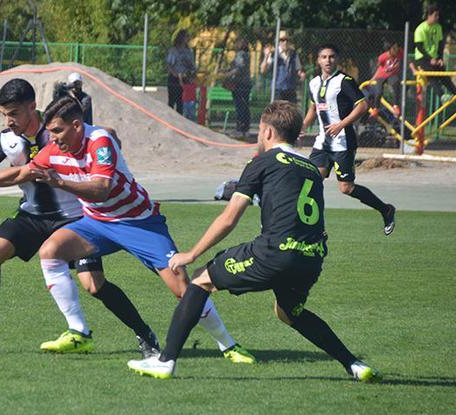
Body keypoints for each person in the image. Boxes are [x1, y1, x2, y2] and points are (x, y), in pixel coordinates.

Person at [0, 96, 256, 363]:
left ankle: (228, 345)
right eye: (50, 132)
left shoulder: (100, 141)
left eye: (57, 131)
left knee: (181, 288)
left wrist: (60, 182)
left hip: (139, 222)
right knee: (51, 251)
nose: (52, 138)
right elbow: (22, 172)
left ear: (77, 126)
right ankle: (79, 331)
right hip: (96, 224)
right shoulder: (54, 147)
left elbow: (100, 189)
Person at [126, 101, 381, 383]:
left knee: (200, 280)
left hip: (276, 253)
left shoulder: (262, 162)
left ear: (268, 132)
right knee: (288, 313)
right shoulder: (310, 167)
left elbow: (229, 218)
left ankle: (165, 362)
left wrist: (192, 253)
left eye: (260, 132)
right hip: (311, 258)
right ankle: (354, 364)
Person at [0, 79, 160, 357]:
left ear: (32, 107)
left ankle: (144, 333)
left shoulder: (58, 128)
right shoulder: (7, 140)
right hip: (32, 215)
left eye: (14, 113)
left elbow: (99, 135)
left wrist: (111, 138)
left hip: (75, 219)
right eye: (4, 114)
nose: (9, 121)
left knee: (93, 283)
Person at [303, 44, 396, 235]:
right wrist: (302, 127)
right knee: (311, 181)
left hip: (343, 143)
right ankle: (317, 227)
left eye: (331, 56)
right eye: (324, 57)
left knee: (346, 188)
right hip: (322, 143)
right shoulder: (313, 83)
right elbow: (313, 109)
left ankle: (385, 209)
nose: (328, 60)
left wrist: (341, 124)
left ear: (336, 59)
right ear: (318, 60)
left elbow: (362, 106)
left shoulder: (344, 81)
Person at [414, 4, 456, 96]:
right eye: (435, 15)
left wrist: (440, 58)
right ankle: (441, 96)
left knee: (445, 77)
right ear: (429, 15)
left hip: (434, 58)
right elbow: (419, 47)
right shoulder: (420, 29)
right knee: (432, 76)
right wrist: (430, 59)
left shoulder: (438, 28)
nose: (437, 17)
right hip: (422, 58)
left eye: (438, 15)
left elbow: (440, 45)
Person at [260, 31, 305, 103]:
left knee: (292, 111)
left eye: (287, 40)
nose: (285, 42)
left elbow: (298, 69)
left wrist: (301, 74)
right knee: (278, 111)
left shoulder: (293, 53)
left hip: (290, 89)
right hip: (278, 89)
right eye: (282, 40)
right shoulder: (273, 53)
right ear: (278, 41)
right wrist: (266, 56)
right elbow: (263, 70)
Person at [366, 41, 403, 118]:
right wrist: (373, 78)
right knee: (379, 91)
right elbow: (379, 68)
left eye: (397, 48)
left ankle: (396, 106)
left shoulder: (400, 53)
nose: (396, 51)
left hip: (392, 75)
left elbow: (407, 61)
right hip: (381, 75)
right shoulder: (382, 57)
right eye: (394, 49)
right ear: (389, 50)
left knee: (395, 83)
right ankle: (376, 108)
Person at [224, 38, 252, 139]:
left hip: (240, 84)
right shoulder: (246, 54)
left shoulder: (241, 54)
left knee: (240, 107)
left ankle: (240, 129)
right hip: (246, 84)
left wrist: (227, 74)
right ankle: (245, 129)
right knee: (245, 106)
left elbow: (238, 69)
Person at [166, 30, 195, 115]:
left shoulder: (188, 52)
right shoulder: (173, 51)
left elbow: (192, 65)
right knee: (172, 101)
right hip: (174, 79)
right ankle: (169, 118)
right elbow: (169, 64)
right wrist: (174, 74)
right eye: (186, 37)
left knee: (181, 102)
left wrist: (191, 73)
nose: (188, 39)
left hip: (184, 78)